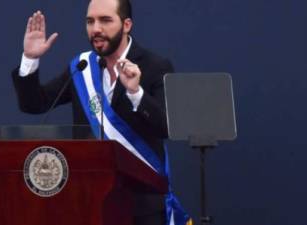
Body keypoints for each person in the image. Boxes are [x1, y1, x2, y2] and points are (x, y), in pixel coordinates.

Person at [12, 1, 190, 225]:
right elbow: (34, 104)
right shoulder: (82, 67)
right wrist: (30, 58)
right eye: (90, 21)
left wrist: (135, 92)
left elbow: (168, 127)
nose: (96, 29)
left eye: (105, 20)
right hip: (88, 201)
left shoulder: (156, 66)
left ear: (126, 25)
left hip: (142, 209)